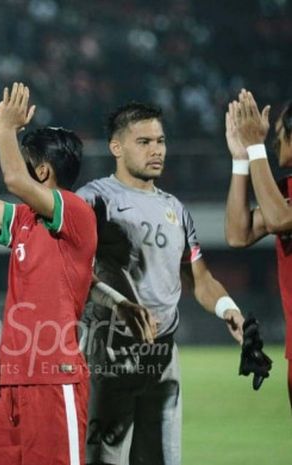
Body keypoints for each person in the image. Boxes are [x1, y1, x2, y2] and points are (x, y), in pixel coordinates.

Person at [75, 101, 246, 465]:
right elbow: (74, 273)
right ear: (116, 147)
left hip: (163, 356)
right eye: (144, 142)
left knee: (163, 459)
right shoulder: (93, 200)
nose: (157, 150)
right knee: (104, 460)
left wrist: (227, 309)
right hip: (110, 354)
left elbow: (200, 278)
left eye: (161, 141)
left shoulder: (176, 209)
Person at [0, 82, 109, 465]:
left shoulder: (76, 213)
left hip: (54, 374)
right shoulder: (24, 217)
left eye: (23, 160)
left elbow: (13, 181)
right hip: (9, 376)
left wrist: (9, 129)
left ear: (41, 171)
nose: (16, 166)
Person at [225, 89, 292, 407]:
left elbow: (280, 220)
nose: (274, 140)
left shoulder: (282, 204)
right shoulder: (285, 191)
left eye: (280, 133)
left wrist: (255, 147)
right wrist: (241, 160)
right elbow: (238, 234)